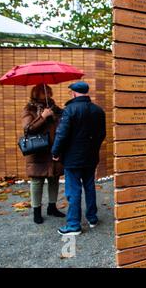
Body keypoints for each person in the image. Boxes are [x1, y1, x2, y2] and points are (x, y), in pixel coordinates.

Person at [51, 81, 106, 235]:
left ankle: (74, 225)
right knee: (89, 186)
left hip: (73, 159)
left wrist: (55, 152)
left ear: (74, 93)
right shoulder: (98, 110)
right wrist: (93, 148)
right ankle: (92, 218)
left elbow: (61, 134)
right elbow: (102, 135)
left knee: (73, 190)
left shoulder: (70, 110)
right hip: (91, 157)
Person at [21, 84, 66, 224]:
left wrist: (55, 116)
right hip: (38, 151)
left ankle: (52, 207)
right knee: (37, 181)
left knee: (54, 178)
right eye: (43, 91)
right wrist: (43, 116)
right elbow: (28, 129)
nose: (47, 94)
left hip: (53, 149)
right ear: (36, 93)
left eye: (48, 91)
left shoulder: (54, 107)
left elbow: (63, 123)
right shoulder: (29, 109)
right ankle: (36, 211)